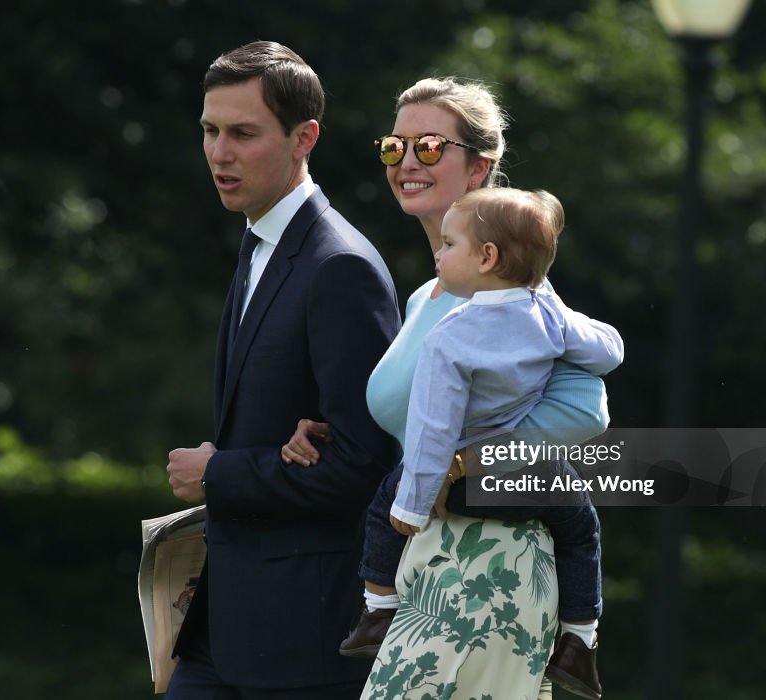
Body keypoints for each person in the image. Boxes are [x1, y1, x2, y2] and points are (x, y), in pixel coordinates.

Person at [281, 78, 612, 700]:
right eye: (394, 147)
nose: (407, 162)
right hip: (425, 562)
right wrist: (324, 428)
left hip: (493, 561)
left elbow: (582, 412)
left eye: (429, 147)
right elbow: (422, 414)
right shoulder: (423, 297)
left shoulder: (521, 298)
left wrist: (461, 468)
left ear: (480, 166)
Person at [163, 41, 402, 700]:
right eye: (210, 131)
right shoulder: (258, 240)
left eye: (243, 133)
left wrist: (220, 472)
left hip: (304, 645)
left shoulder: (340, 267)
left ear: (306, 138)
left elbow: (366, 465)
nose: (219, 152)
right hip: (225, 630)